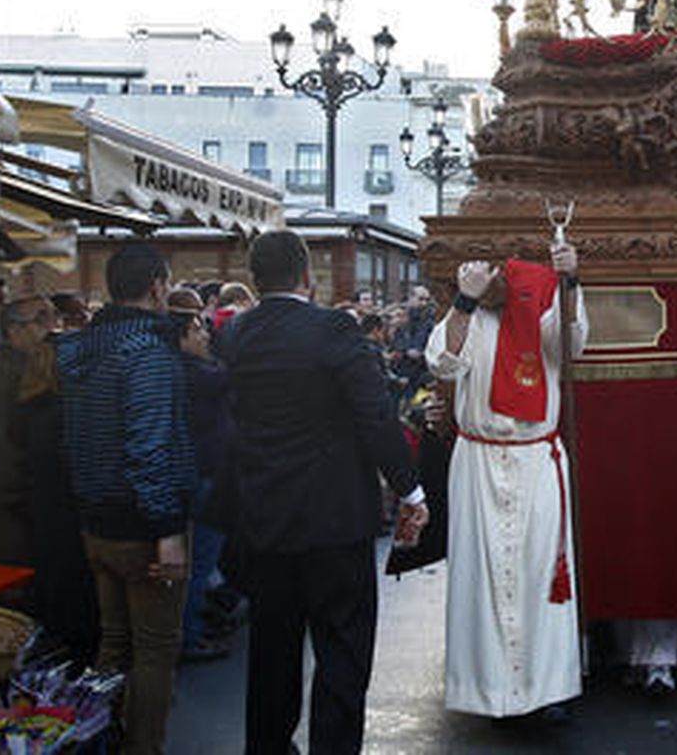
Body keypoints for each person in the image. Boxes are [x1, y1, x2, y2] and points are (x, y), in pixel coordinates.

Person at [217, 230, 426, 755]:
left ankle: (266, 747)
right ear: (308, 276)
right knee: (342, 651)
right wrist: (410, 488)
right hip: (333, 518)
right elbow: (374, 415)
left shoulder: (236, 334)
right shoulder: (332, 329)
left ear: (253, 279)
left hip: (265, 516)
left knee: (272, 650)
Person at [423, 245, 588, 720]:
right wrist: (465, 301)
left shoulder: (546, 301)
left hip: (535, 459)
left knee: (541, 576)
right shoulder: (469, 313)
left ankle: (544, 689)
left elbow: (571, 345)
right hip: (477, 461)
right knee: (480, 576)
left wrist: (569, 282)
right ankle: (485, 689)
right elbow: (442, 363)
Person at [56, 243, 196, 755]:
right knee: (156, 652)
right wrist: (167, 532)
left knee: (113, 643)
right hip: (142, 526)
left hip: (95, 520)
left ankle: (101, 741)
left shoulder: (78, 351)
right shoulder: (148, 353)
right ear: (158, 286)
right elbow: (150, 446)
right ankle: (141, 748)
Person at [164, 287, 234, 664]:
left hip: (200, 473)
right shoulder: (195, 374)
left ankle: (193, 626)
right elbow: (227, 375)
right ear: (182, 338)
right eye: (197, 330)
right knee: (198, 563)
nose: (205, 335)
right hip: (202, 476)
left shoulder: (187, 370)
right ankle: (188, 635)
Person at [0, 279, 57, 570]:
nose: (53, 327)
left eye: (54, 316)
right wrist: (41, 503)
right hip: (9, 538)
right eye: (41, 319)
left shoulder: (31, 375)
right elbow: (0, 469)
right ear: (14, 331)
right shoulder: (2, 383)